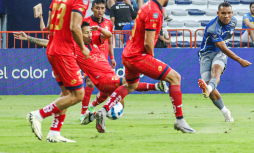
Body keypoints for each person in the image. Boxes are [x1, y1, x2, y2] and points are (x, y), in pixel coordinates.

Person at [14, 23, 168, 125]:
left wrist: (97, 28)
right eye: (86, 32)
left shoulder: (94, 40)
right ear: (79, 33)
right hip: (102, 80)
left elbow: (108, 35)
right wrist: (28, 38)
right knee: (128, 83)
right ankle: (157, 86)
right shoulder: (75, 46)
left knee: (122, 93)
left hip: (109, 76)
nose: (89, 34)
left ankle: (91, 114)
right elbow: (50, 44)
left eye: (89, 32)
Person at [94, 0, 195, 133]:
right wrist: (152, 59)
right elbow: (148, 43)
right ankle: (180, 120)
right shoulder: (154, 11)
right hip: (138, 56)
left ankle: (104, 110)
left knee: (130, 85)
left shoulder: (147, 6)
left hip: (128, 54)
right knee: (175, 78)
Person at [26, 0, 91, 143]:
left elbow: (48, 26)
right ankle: (38, 115)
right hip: (64, 51)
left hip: (52, 49)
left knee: (66, 94)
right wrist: (84, 48)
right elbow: (74, 27)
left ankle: (54, 133)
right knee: (78, 95)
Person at [197, 2, 251, 122]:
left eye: (229, 13)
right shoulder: (213, 28)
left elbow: (222, 49)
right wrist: (240, 60)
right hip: (206, 54)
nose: (226, 16)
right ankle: (226, 112)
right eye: (223, 13)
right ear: (218, 13)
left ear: (232, 13)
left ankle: (209, 87)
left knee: (216, 71)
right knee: (208, 85)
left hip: (220, 53)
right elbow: (223, 47)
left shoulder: (234, 21)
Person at [80, 0, 116, 120]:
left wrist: (112, 57)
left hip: (103, 61)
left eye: (102, 8)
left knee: (108, 88)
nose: (100, 11)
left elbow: (110, 42)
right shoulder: (85, 22)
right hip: (88, 59)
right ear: (92, 9)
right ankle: (83, 113)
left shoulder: (109, 23)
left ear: (105, 9)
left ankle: (92, 106)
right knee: (89, 83)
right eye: (97, 8)